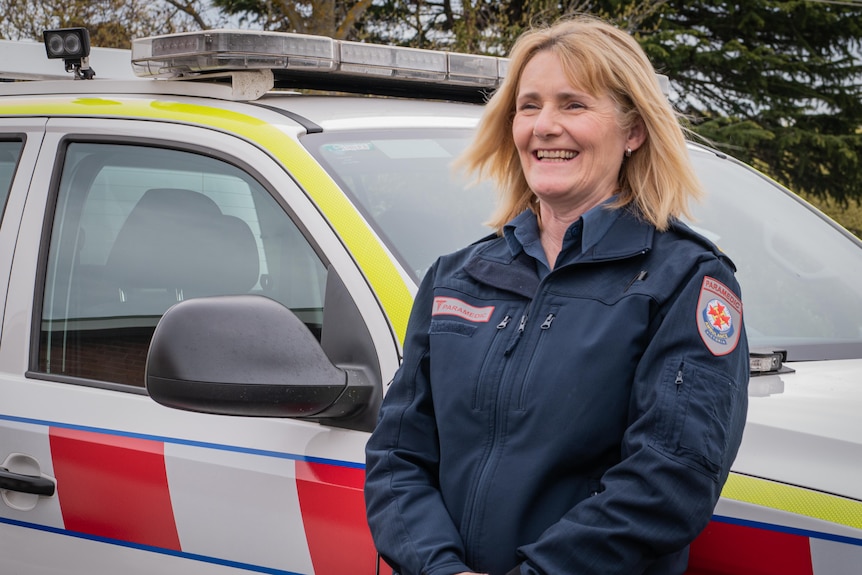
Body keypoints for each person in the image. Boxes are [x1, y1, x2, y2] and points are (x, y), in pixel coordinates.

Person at [365, 15, 749, 575]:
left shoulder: (686, 281)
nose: (545, 126)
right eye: (529, 106)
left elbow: (670, 478)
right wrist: (438, 568)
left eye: (573, 105)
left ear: (634, 131)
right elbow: (397, 456)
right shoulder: (456, 277)